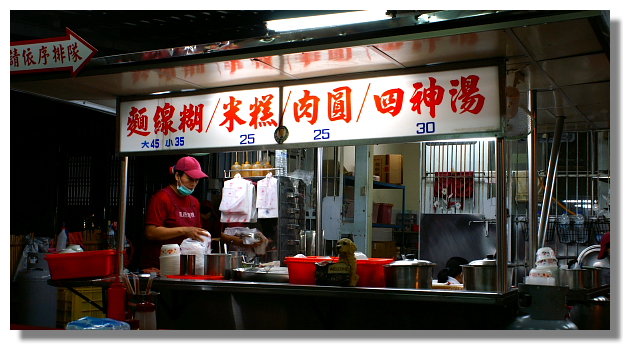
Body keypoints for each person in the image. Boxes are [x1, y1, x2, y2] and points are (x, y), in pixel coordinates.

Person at [139, 156, 210, 271]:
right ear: (177, 176)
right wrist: (185, 230)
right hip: (159, 265)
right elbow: (151, 232)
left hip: (184, 266)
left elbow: (195, 232)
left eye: (197, 180)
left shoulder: (194, 202)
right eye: (190, 179)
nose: (194, 183)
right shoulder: (162, 198)